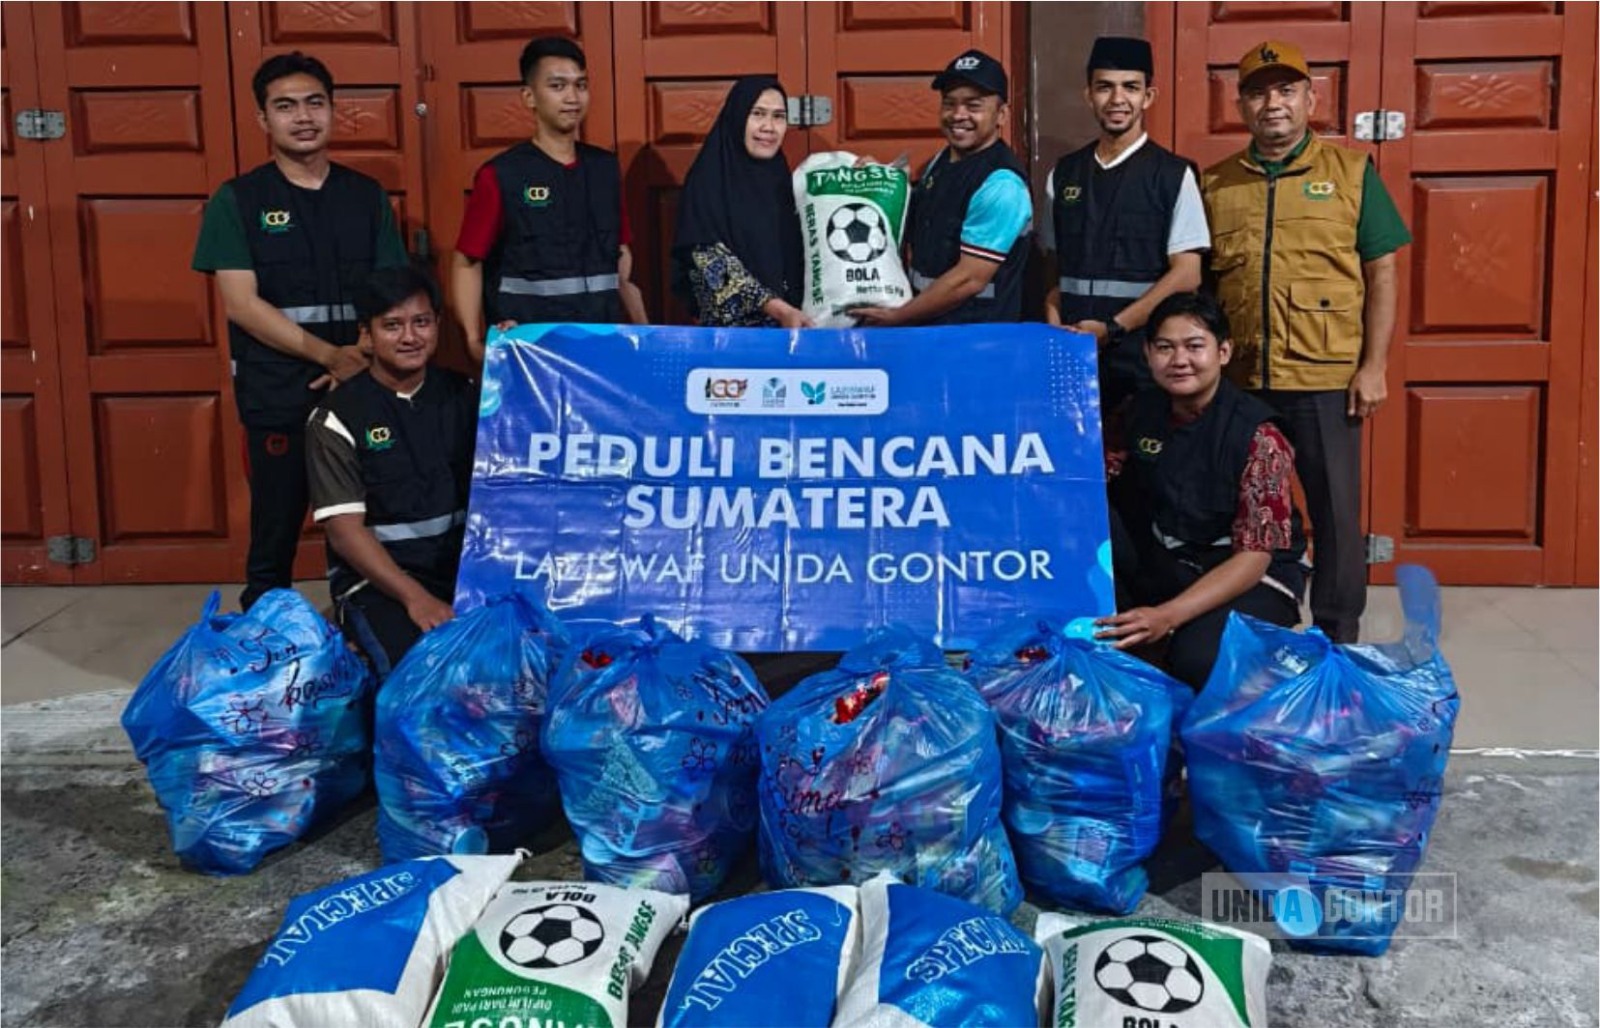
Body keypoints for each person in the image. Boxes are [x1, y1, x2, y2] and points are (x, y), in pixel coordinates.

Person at [1201, 40, 1410, 643]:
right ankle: (1251, 620)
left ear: (1310, 100)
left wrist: (1374, 366)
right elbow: (1205, 284)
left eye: (1286, 90)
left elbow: (1383, 272)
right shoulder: (1216, 184)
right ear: (1241, 106)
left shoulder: (1352, 174)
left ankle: (1338, 636)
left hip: (1324, 377)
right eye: (1259, 93)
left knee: (1335, 512)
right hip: (1241, 378)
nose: (1273, 104)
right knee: (1242, 506)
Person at [192, 51, 409, 612]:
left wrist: (359, 355)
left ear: (333, 110)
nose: (303, 117)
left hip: (362, 383)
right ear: (263, 119)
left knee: (370, 517)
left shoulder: (365, 196)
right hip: (279, 388)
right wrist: (329, 356)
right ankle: (266, 631)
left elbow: (390, 290)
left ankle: (367, 624)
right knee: (276, 524)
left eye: (315, 103)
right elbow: (241, 304)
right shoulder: (238, 201)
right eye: (285, 106)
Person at [1097, 291, 1308, 689]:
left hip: (1249, 576)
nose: (1180, 360)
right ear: (1147, 354)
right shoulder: (1138, 411)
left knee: (1197, 661)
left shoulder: (1259, 434)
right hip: (1170, 562)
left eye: (1195, 346)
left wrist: (1167, 616)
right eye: (1165, 348)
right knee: (1092, 515)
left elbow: (1254, 558)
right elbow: (1093, 481)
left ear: (1223, 352)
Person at [305, 265, 477, 678]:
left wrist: (516, 346)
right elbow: (345, 533)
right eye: (392, 325)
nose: (410, 337)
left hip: (465, 572)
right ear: (366, 334)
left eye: (422, 322)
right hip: (380, 583)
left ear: (437, 324)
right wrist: (415, 598)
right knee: (419, 676)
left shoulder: (468, 395)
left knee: (514, 664)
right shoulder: (337, 417)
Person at [452, 36, 647, 363]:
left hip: (601, 347)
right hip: (529, 350)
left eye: (580, 85)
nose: (572, 97)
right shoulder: (501, 175)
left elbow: (621, 254)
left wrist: (644, 332)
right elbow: (467, 262)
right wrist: (473, 341)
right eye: (558, 86)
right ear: (529, 97)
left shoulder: (604, 169)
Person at [1042, 36, 1209, 415]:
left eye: (1130, 87)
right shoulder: (1064, 173)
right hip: (1072, 357)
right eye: (1105, 87)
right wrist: (1054, 328)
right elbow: (1052, 265)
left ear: (1148, 96)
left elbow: (1188, 274)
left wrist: (1113, 328)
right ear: (1089, 95)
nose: (1117, 99)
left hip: (1143, 360)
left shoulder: (1173, 175)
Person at [853, 49, 1032, 326]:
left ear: (1001, 115)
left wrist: (899, 317)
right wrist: (883, 183)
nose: (958, 115)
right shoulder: (941, 160)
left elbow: (969, 279)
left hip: (975, 336)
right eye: (949, 104)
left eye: (973, 106)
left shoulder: (1002, 184)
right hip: (928, 328)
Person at [671, 76, 810, 328]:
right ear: (737, 117)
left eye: (778, 116)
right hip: (733, 336)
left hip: (794, 329)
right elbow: (708, 261)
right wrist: (777, 309)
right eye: (758, 114)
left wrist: (865, 174)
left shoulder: (784, 181)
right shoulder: (708, 180)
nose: (769, 127)